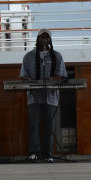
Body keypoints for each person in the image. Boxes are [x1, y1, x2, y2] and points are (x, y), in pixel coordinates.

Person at [20, 29, 67, 162]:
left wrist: (51, 78)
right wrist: (30, 80)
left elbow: (62, 75)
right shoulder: (28, 56)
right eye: (42, 37)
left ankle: (47, 153)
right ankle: (33, 152)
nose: (44, 39)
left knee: (49, 125)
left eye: (47, 37)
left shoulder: (56, 56)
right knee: (33, 124)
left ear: (50, 40)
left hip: (51, 96)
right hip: (34, 96)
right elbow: (23, 75)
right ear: (38, 38)